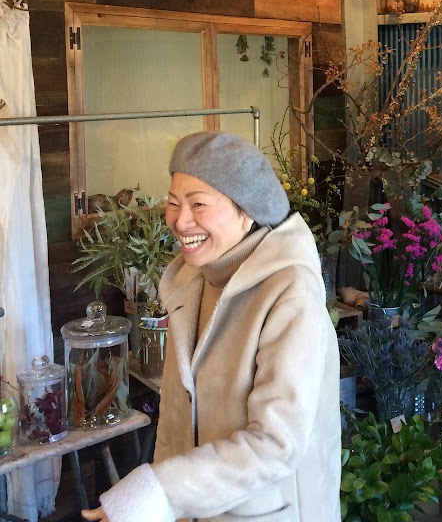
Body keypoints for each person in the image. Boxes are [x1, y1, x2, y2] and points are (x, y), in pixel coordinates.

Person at [82, 131, 341, 522]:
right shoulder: (195, 278)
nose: (180, 220)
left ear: (247, 210)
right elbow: (177, 416)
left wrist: (163, 491)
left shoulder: (289, 294)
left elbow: (276, 443)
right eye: (173, 202)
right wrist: (161, 502)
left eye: (198, 204)